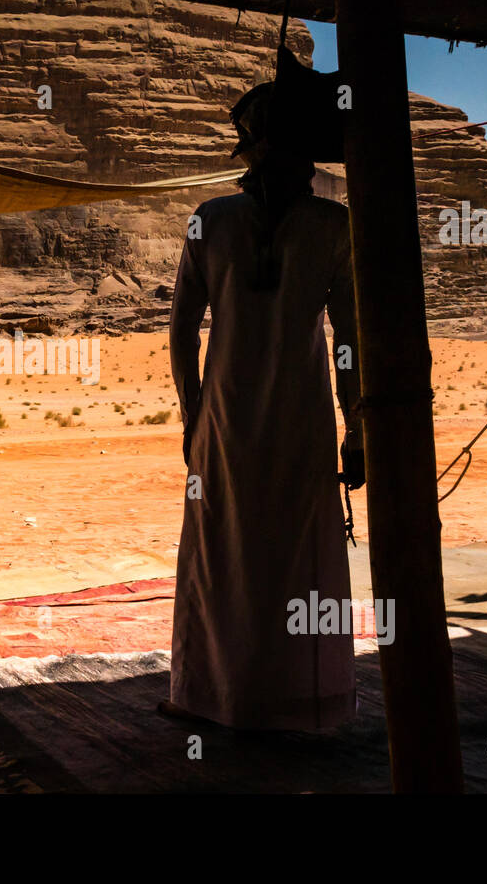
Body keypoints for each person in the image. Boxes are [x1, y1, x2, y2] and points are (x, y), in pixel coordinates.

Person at [164, 56, 364, 731]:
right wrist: (356, 431)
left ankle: (219, 695)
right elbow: (351, 343)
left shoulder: (209, 220)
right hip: (300, 421)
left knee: (225, 557)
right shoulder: (333, 226)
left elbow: (182, 331)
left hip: (223, 422)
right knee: (293, 561)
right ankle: (296, 703)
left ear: (249, 155)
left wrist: (196, 420)